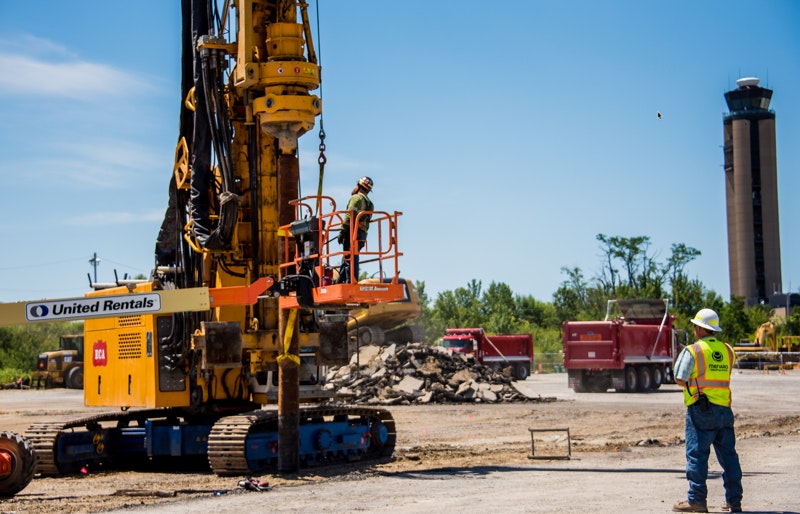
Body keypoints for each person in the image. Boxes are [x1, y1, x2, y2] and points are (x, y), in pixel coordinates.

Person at [672, 308, 743, 513]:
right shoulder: (728, 350)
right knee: (729, 456)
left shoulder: (693, 350)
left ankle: (696, 500)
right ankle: (734, 500)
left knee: (697, 456)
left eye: (695, 326)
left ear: (700, 329)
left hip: (701, 410)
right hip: (725, 411)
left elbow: (679, 378)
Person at [337, 176, 374, 282]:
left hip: (352, 232)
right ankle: (340, 281)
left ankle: (351, 281)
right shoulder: (370, 203)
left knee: (350, 257)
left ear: (359, 186)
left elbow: (349, 215)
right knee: (348, 257)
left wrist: (342, 231)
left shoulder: (356, 198)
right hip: (362, 234)